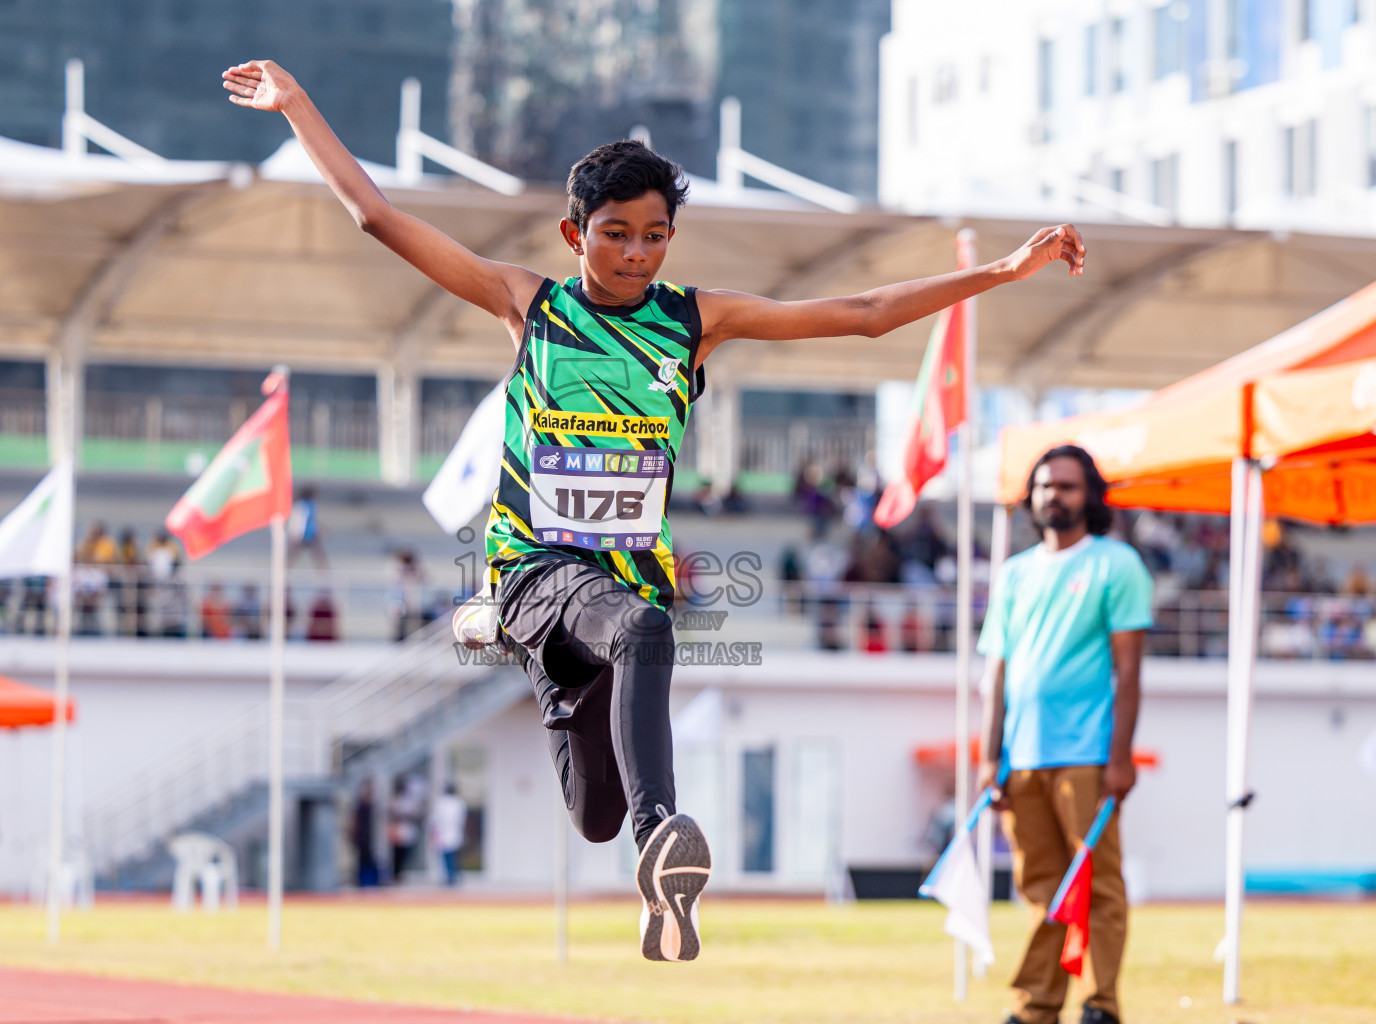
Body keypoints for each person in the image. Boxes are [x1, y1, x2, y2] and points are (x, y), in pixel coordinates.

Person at [223, 57, 1085, 961]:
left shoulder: (692, 320)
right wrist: (299, 106)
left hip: (614, 590)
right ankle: (660, 843)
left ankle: (579, 731)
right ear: (573, 233)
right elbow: (379, 216)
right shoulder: (532, 306)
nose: (636, 254)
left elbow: (865, 312)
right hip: (534, 568)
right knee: (643, 631)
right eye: (616, 235)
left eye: (654, 236)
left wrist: (1004, 269)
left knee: (591, 804)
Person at [977, 445, 1152, 1024]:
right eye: (1046, 486)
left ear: (1091, 496)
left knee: (1098, 885)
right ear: (1032, 497)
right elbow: (995, 671)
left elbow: (1129, 670)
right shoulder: (1014, 572)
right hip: (1020, 759)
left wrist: (1121, 757)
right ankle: (1037, 1006)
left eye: (1068, 487)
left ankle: (1100, 1004)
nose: (1055, 496)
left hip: (1088, 756)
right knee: (1040, 888)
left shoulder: (1116, 564)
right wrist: (988, 757)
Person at [429, 782, 469, 887]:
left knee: (447, 857)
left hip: (445, 832)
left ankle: (451, 877)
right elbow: (461, 820)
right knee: (452, 856)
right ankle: (452, 877)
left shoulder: (442, 802)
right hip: (450, 832)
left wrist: (433, 832)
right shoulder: (458, 802)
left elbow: (435, 819)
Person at [287, 486, 329, 570]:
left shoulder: (310, 504)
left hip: (310, 535)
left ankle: (326, 575)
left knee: (319, 556)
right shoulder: (302, 505)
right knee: (292, 557)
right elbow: (298, 521)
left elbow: (312, 520)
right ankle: (283, 575)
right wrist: (295, 534)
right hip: (302, 535)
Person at [350, 779, 380, 887]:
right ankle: (365, 882)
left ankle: (370, 882)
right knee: (365, 861)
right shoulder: (363, 806)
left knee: (370, 860)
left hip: (368, 839)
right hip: (364, 839)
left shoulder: (370, 806)